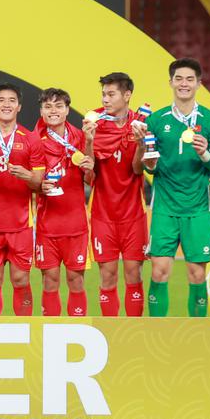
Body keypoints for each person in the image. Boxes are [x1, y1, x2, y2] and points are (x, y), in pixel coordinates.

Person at [138, 58, 210, 317]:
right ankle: (156, 334)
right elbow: (149, 166)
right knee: (159, 270)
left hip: (198, 208)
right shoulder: (155, 121)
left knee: (197, 274)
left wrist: (205, 154)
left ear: (199, 83)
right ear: (171, 82)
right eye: (179, 79)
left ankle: (197, 335)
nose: (184, 84)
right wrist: (149, 163)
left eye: (189, 79)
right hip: (164, 208)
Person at [0, 83, 44, 315]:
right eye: (1, 100)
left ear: (19, 106)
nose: (6, 104)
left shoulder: (32, 139)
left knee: (21, 278)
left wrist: (28, 176)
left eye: (11, 100)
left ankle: (25, 329)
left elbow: (39, 183)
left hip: (21, 223)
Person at [87, 73, 148, 316]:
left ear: (127, 95)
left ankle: (133, 334)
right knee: (107, 275)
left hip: (134, 214)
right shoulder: (95, 124)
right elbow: (88, 173)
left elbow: (137, 169)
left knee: (134, 273)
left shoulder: (141, 125)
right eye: (103, 94)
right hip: (102, 214)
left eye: (111, 94)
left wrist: (142, 144)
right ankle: (110, 333)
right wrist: (88, 141)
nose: (105, 99)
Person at [34, 88, 91, 316]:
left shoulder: (81, 137)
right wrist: (39, 185)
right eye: (48, 106)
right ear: (41, 111)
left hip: (76, 225)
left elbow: (91, 177)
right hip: (47, 225)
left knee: (76, 280)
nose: (53, 111)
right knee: (50, 280)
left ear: (67, 110)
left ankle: (77, 331)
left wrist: (90, 146)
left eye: (58, 106)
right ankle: (51, 333)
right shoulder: (33, 140)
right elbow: (27, 181)